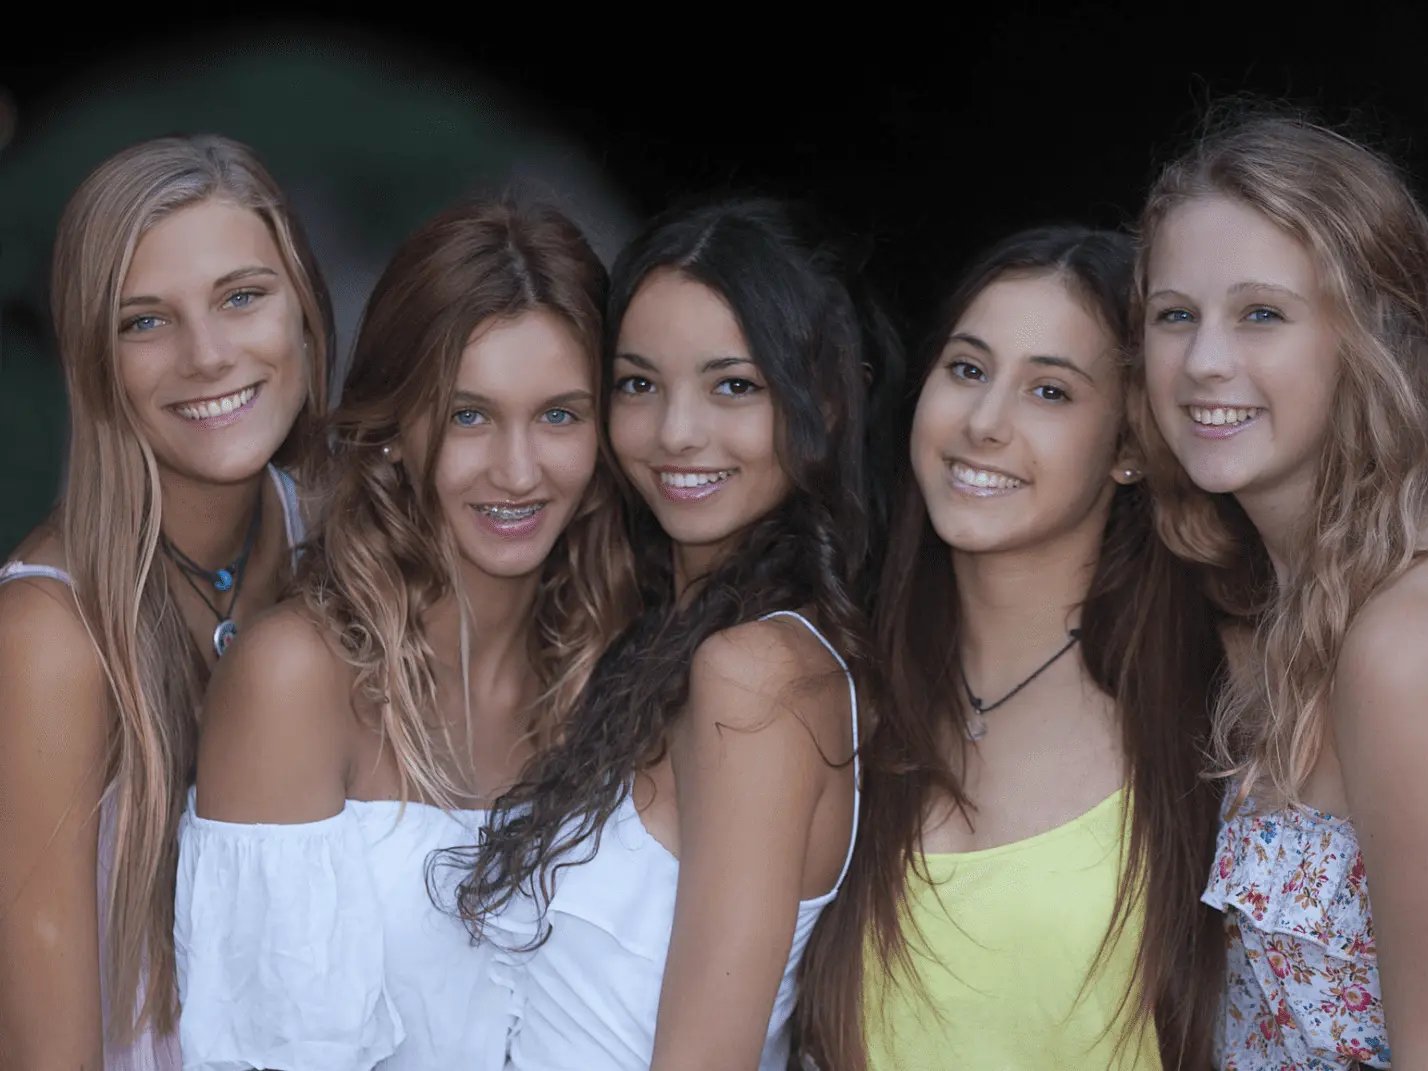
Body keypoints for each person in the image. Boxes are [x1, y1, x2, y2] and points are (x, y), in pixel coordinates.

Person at [1133, 112, 1428, 1069]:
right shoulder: (1289, 596)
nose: (1204, 360)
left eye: (1262, 313)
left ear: (1373, 334)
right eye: (1174, 314)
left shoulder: (1416, 633)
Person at [172, 198, 632, 1069]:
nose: (518, 470)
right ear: (392, 430)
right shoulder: (298, 678)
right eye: (469, 415)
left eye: (560, 415)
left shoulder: (619, 668)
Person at [443, 197, 888, 1071]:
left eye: (734, 386)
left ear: (827, 402)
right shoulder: (660, 640)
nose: (678, 433)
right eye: (640, 385)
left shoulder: (757, 675)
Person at [793, 225, 1226, 1071]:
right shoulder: (841, 699)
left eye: (1050, 391)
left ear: (1131, 446)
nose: (985, 422)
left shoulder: (1212, 721)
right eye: (967, 369)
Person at [0, 134, 331, 1070]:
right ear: (91, 361)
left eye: (242, 296)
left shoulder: (345, 544)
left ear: (305, 306)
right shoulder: (49, 637)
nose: (208, 355)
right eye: (145, 322)